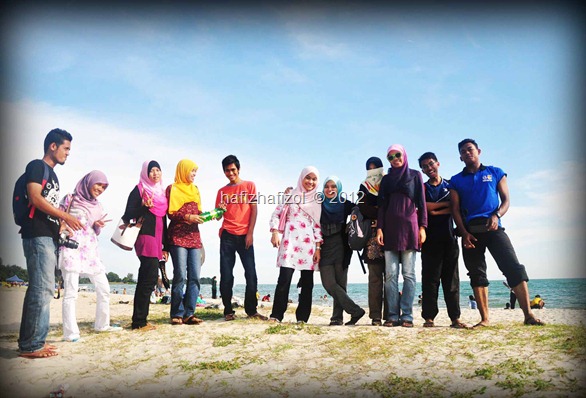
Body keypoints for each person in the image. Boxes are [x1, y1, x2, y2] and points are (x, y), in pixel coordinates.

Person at [449, 138, 544, 327]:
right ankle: (484, 319)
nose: (468, 153)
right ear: (460, 157)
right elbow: (455, 210)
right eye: (463, 151)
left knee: (513, 267)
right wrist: (464, 232)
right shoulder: (456, 180)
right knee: (476, 274)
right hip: (470, 233)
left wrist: (496, 215)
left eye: (470, 149)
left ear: (479, 151)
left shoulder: (495, 172)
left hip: (494, 228)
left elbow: (506, 199)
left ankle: (528, 315)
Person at [17, 128, 83, 359]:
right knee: (43, 288)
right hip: (36, 235)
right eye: (66, 148)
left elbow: (46, 210)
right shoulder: (37, 166)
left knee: (39, 288)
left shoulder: (53, 175)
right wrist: (65, 216)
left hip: (47, 234)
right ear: (52, 146)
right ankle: (32, 345)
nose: (68, 153)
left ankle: (29, 342)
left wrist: (61, 225)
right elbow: (35, 198)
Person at [58, 170, 121, 342]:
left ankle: (102, 325)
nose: (100, 189)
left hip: (91, 251)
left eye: (104, 187)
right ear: (89, 182)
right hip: (71, 249)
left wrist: (98, 225)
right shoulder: (69, 198)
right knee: (71, 292)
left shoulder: (98, 206)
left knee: (104, 288)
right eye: (98, 184)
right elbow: (57, 218)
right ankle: (70, 334)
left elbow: (95, 230)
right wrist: (62, 225)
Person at [376, 144, 427, 328]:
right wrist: (379, 229)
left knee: (409, 274)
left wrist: (423, 227)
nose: (395, 159)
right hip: (389, 231)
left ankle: (407, 315)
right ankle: (392, 315)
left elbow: (421, 203)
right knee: (390, 275)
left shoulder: (415, 175)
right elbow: (381, 206)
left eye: (398, 155)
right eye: (391, 157)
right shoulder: (387, 179)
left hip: (410, 230)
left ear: (404, 155)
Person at [417, 152, 468, 329]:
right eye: (425, 167)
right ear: (422, 171)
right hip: (429, 240)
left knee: (452, 280)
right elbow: (425, 209)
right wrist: (446, 207)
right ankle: (429, 318)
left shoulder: (450, 185)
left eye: (431, 164)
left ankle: (455, 318)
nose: (429, 168)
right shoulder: (422, 188)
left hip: (450, 237)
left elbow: (458, 207)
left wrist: (436, 210)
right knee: (430, 280)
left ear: (438, 163)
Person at [215, 155, 267, 321]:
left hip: (245, 236)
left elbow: (254, 210)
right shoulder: (221, 192)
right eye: (227, 171)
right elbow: (217, 216)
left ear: (238, 169)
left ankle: (251, 310)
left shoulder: (249, 186)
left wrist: (250, 233)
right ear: (224, 172)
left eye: (233, 170)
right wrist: (220, 209)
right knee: (226, 275)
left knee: (251, 275)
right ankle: (228, 311)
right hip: (227, 236)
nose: (230, 173)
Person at [269, 166, 323, 323]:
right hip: (289, 242)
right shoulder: (290, 195)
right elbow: (276, 214)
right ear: (302, 177)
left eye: (314, 179)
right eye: (308, 177)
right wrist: (274, 232)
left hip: (309, 246)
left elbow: (317, 225)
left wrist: (318, 248)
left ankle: (302, 318)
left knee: (307, 283)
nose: (310, 182)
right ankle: (276, 315)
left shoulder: (317, 200)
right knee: (284, 280)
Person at [123, 160, 169, 331]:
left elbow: (163, 221)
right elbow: (127, 214)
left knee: (147, 278)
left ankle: (140, 319)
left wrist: (166, 246)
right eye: (151, 171)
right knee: (148, 279)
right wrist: (143, 207)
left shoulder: (161, 193)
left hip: (157, 239)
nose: (155, 173)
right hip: (145, 236)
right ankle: (139, 322)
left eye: (158, 170)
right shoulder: (140, 189)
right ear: (145, 173)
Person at [319, 176, 365, 326]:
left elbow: (360, 207)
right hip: (323, 247)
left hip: (341, 246)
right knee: (328, 283)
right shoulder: (318, 204)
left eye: (333, 186)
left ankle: (337, 317)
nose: (330, 189)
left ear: (338, 188)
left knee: (340, 283)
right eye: (327, 186)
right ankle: (355, 310)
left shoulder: (345, 204)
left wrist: (352, 221)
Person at [166, 159, 205, 326]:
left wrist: (215, 213)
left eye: (196, 172)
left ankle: (190, 313)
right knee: (180, 274)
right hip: (177, 237)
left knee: (195, 276)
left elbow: (200, 213)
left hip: (194, 237)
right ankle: (177, 313)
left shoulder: (195, 190)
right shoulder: (172, 188)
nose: (194, 174)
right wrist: (187, 217)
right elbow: (171, 213)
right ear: (183, 170)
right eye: (192, 171)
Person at [357, 157, 386, 326]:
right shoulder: (363, 186)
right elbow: (362, 206)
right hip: (372, 239)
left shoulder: (388, 182)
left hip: (391, 234)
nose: (373, 171)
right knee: (375, 278)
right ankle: (375, 316)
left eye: (376, 168)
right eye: (370, 168)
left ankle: (391, 314)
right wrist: (379, 212)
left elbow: (392, 204)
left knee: (391, 277)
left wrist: (377, 211)